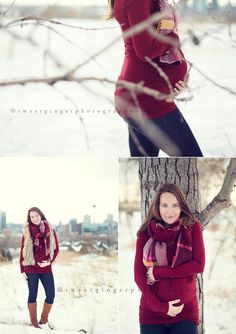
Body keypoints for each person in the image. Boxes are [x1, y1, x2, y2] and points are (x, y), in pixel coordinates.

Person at [108, 0, 203, 157]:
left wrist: (178, 75)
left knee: (145, 161)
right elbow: (146, 50)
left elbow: (153, 40)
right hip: (148, 99)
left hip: (140, 93)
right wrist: (173, 38)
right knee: (192, 157)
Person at [134, 183, 205, 334]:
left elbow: (198, 265)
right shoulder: (145, 233)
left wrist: (159, 272)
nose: (170, 211)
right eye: (164, 205)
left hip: (185, 313)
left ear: (181, 206)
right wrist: (162, 307)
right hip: (151, 314)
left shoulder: (192, 227)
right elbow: (139, 276)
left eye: (175, 205)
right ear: (157, 207)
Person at [19, 207, 59, 329]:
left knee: (51, 295)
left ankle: (43, 320)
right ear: (29, 219)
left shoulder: (50, 230)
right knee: (32, 295)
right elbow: (22, 251)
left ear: (41, 215)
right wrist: (22, 270)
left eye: (37, 216)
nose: (35, 218)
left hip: (46, 268)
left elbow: (56, 249)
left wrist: (48, 262)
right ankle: (34, 324)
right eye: (32, 217)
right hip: (31, 268)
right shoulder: (27, 232)